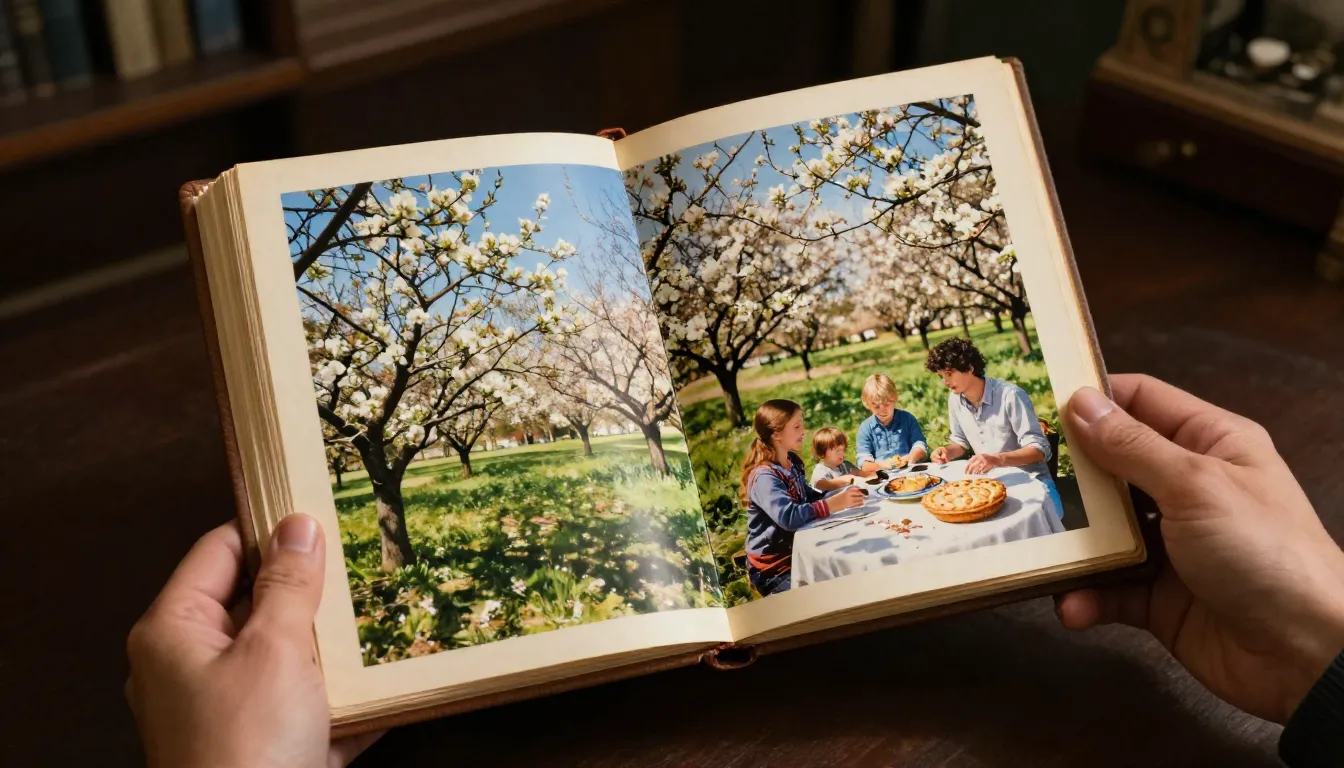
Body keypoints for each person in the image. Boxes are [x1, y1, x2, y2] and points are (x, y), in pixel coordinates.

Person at [128, 375, 1344, 766]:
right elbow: (801, 507)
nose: (844, 425)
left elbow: (868, 477)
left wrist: (1314, 652)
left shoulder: (842, 447)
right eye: (821, 426)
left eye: (853, 414)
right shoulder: (777, 475)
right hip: (777, 560)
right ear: (777, 439)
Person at [924, 337, 1065, 520]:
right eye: (941, 376)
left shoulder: (1010, 395)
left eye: (949, 374)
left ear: (969, 368)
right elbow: (960, 441)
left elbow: (1040, 450)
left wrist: (996, 459)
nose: (945, 382)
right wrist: (947, 452)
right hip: (989, 484)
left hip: (1031, 481)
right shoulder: (955, 399)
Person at [740, 399, 866, 596]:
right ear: (776, 434)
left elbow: (808, 496)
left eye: (803, 423)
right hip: (774, 570)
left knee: (854, 578)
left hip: (800, 552)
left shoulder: (792, 462)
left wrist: (841, 494)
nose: (804, 430)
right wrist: (833, 504)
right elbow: (789, 517)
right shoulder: (764, 477)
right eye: (797, 426)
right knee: (830, 598)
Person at [855, 373, 929, 473]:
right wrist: (881, 465)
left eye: (886, 404)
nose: (882, 410)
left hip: (910, 471)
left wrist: (911, 457)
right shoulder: (865, 428)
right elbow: (863, 463)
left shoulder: (907, 419)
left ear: (895, 398)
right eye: (876, 406)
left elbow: (920, 445)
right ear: (867, 404)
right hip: (883, 477)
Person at [809, 426, 870, 492]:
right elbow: (819, 484)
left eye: (843, 450)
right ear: (822, 453)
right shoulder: (821, 469)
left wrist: (875, 476)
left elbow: (861, 474)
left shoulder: (846, 465)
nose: (842, 453)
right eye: (837, 451)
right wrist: (844, 480)